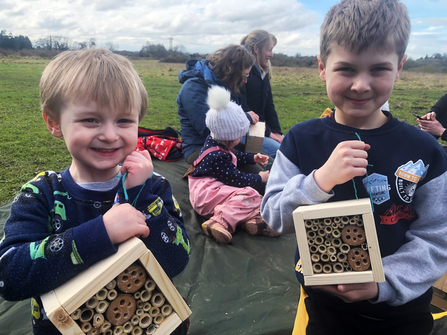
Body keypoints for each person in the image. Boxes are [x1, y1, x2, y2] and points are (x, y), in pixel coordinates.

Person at [260, 0, 447, 334]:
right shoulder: (301, 140)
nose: (361, 84)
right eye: (346, 69)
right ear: (322, 66)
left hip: (403, 312)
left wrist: (384, 281)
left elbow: (437, 238)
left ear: (400, 66)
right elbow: (274, 216)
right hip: (325, 309)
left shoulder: (424, 151)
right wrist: (318, 182)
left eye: (378, 69)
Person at [0, 48, 191, 335]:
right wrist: (101, 233)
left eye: (124, 121)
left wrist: (143, 197)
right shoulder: (42, 194)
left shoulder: (153, 186)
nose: (110, 135)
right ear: (54, 123)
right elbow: (9, 276)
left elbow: (177, 260)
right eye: (91, 120)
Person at [188, 86, 278, 244]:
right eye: (240, 136)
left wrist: (252, 158)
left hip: (208, 192)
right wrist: (260, 177)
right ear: (230, 137)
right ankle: (219, 222)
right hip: (206, 195)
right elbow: (236, 179)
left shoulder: (216, 144)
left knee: (255, 197)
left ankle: (253, 223)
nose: (241, 138)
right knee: (248, 193)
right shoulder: (216, 157)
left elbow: (235, 155)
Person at [177, 44, 259, 165]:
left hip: (225, 146)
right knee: (259, 176)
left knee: (269, 163)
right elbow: (209, 129)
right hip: (200, 148)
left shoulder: (226, 84)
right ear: (232, 71)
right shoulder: (193, 88)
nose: (246, 81)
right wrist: (245, 118)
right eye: (245, 75)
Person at [240, 30, 283, 159]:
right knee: (281, 153)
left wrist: (276, 131)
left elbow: (269, 104)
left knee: (290, 145)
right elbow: (243, 108)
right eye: (269, 50)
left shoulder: (263, 72)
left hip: (260, 128)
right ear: (256, 49)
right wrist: (269, 133)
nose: (272, 54)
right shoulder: (242, 70)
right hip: (245, 130)